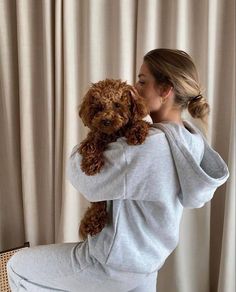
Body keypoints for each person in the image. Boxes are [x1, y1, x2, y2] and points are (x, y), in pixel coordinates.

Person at [7, 48, 229, 292]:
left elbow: (83, 176)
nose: (135, 88)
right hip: (148, 265)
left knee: (17, 266)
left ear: (165, 91)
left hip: (110, 263)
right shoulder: (191, 141)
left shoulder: (143, 148)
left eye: (142, 81)